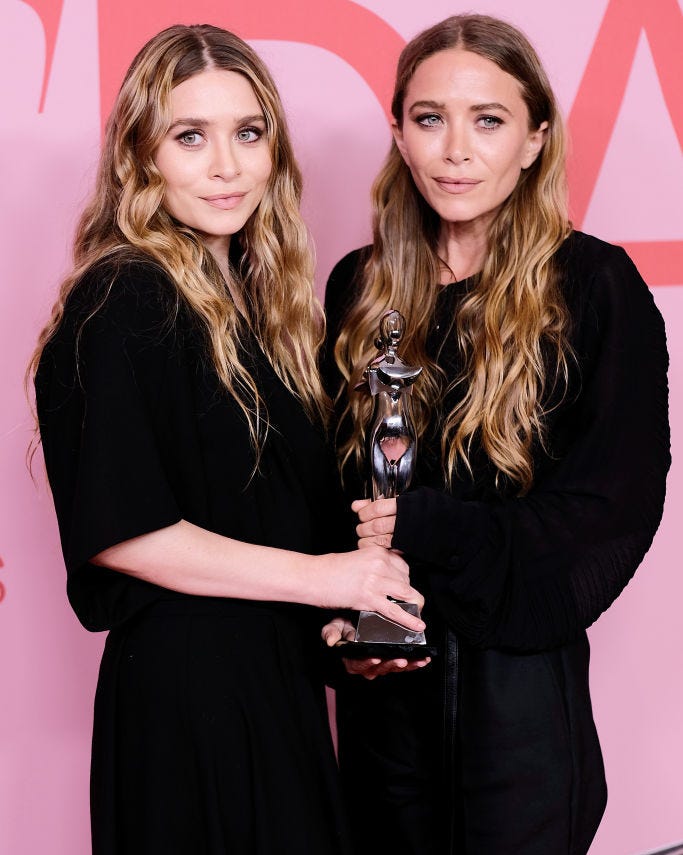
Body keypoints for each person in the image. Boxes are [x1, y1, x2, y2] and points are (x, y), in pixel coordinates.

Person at [29, 23, 426, 855]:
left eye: (248, 134)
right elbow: (124, 531)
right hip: (184, 703)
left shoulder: (259, 308)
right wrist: (326, 575)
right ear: (143, 157)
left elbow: (269, 518)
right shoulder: (124, 296)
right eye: (190, 136)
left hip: (270, 686)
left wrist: (340, 632)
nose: (226, 165)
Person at [321, 13, 670, 855]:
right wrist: (338, 626)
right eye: (429, 118)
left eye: (488, 120)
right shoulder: (358, 289)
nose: (454, 150)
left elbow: (611, 504)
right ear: (399, 134)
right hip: (381, 712)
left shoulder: (594, 285)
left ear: (533, 139)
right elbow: (328, 492)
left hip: (519, 707)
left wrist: (433, 524)